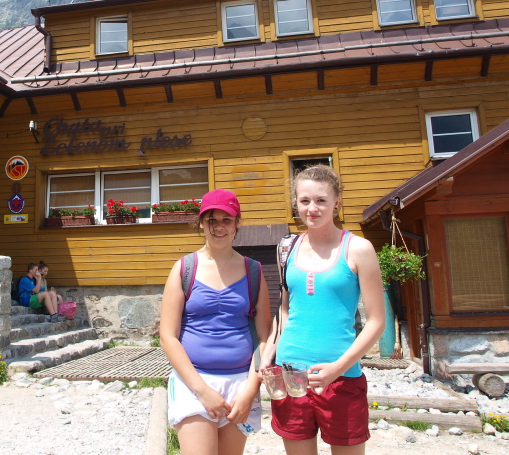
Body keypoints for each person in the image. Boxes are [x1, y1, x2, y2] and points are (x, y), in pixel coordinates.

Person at [261, 165, 385, 455]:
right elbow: (285, 310)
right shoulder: (287, 248)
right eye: (304, 201)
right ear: (296, 203)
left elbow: (377, 322)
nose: (312, 208)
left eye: (321, 200)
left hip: (341, 377)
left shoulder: (358, 249)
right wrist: (268, 353)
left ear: (336, 203)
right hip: (290, 374)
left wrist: (337, 368)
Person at [160, 188, 271, 455]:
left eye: (226, 220)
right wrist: (202, 391)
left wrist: (250, 389)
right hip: (193, 383)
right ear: (201, 223)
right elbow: (167, 336)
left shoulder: (254, 271)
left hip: (240, 386)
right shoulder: (184, 268)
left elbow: (264, 338)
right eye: (212, 220)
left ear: (237, 223)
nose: (219, 227)